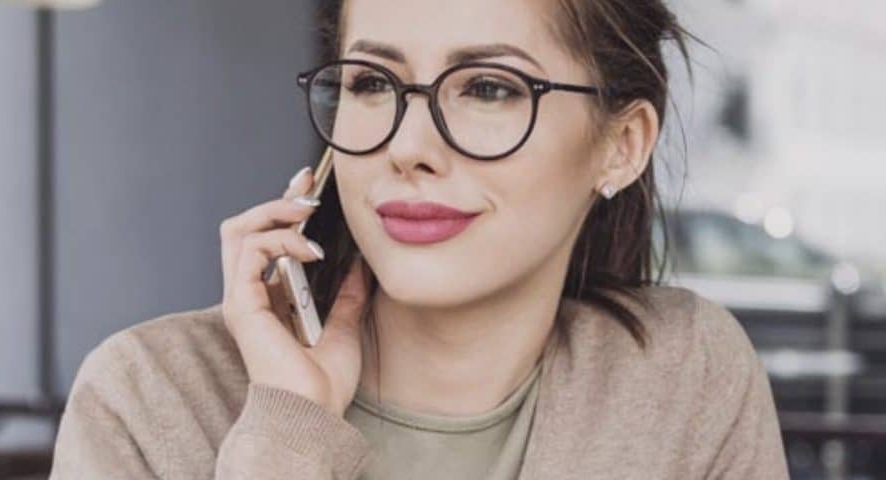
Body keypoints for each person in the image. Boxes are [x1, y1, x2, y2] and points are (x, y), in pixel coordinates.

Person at [49, 0, 790, 478]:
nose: (408, 146)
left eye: (491, 88)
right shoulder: (148, 400)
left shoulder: (683, 377)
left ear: (621, 145)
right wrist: (286, 435)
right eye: (372, 82)